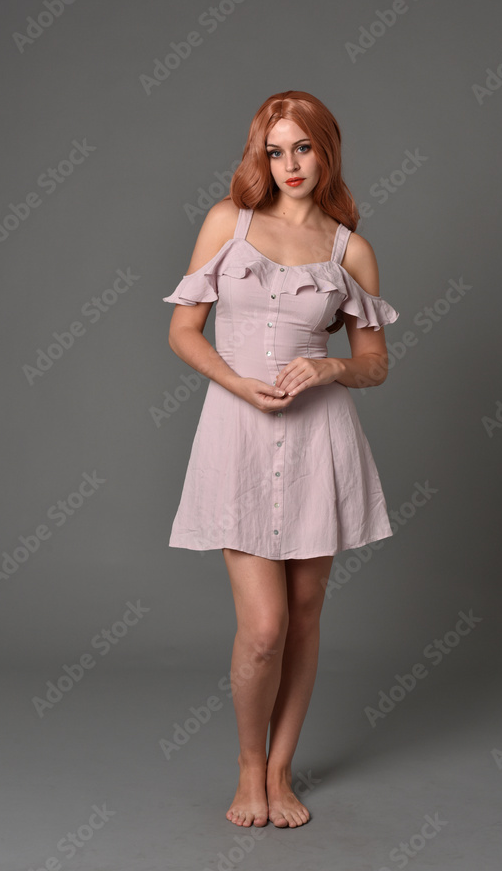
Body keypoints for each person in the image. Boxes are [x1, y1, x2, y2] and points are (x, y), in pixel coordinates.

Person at [162, 90, 399, 829]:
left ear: (326, 149)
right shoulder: (224, 226)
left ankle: (281, 767)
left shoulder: (348, 249)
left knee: (303, 614)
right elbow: (183, 331)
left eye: (303, 148)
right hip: (235, 434)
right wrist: (236, 383)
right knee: (262, 628)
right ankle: (246, 765)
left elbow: (375, 364)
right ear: (260, 156)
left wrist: (329, 369)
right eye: (276, 151)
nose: (290, 164)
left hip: (319, 443)